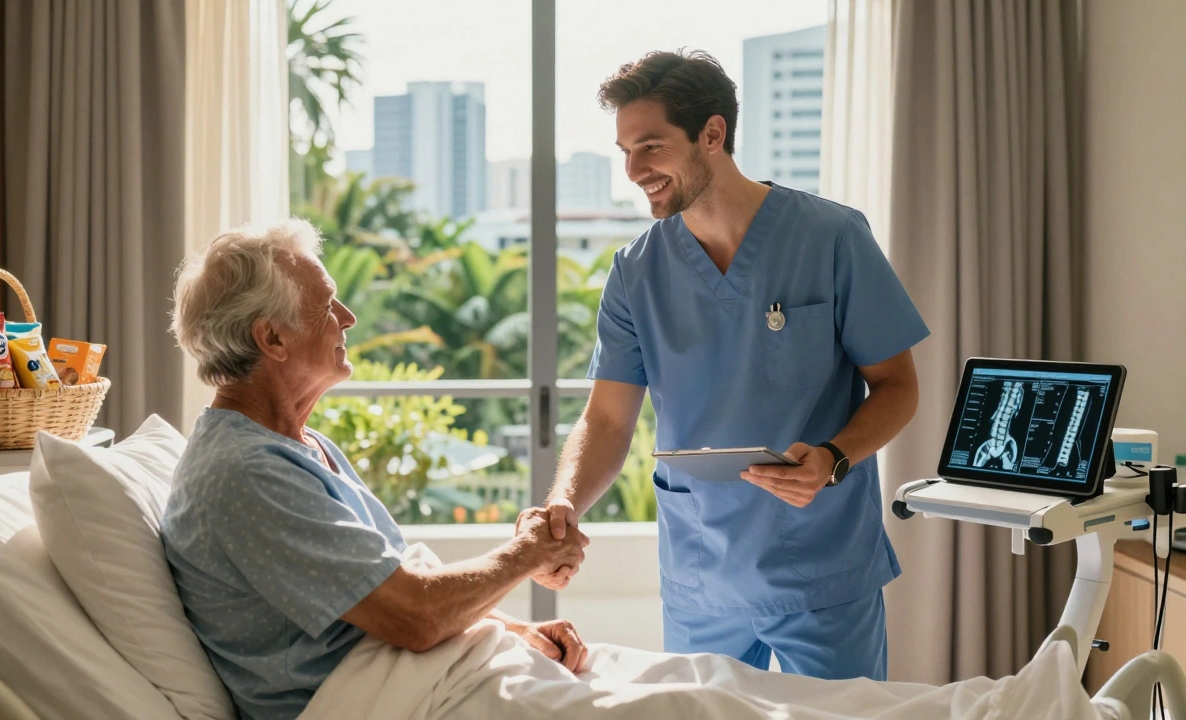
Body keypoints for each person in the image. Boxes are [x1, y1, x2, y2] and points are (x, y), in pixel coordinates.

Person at [531, 50, 930, 682]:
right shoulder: (637, 272)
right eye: (625, 151)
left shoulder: (831, 238)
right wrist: (560, 506)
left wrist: (834, 456)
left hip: (820, 566)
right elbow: (607, 420)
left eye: (651, 147)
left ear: (712, 135)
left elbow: (898, 387)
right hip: (702, 573)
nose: (634, 170)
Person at [161, 219, 591, 720]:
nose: (348, 318)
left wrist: (517, 630)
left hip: (415, 680)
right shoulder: (245, 472)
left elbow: (381, 588)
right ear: (273, 338)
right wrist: (528, 552)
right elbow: (415, 615)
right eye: (326, 306)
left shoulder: (298, 446)